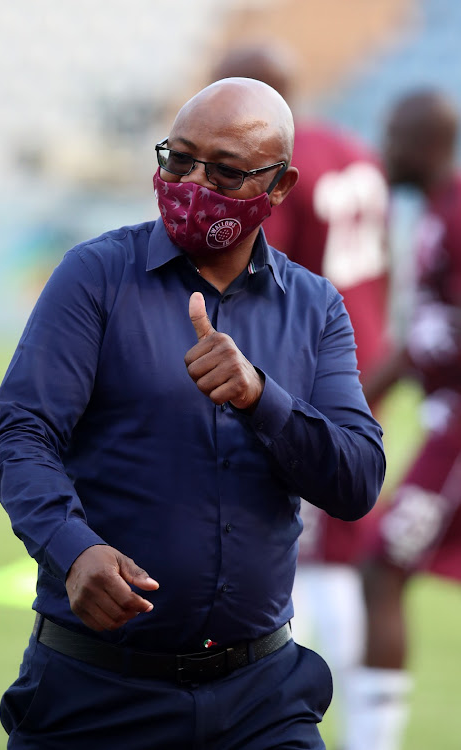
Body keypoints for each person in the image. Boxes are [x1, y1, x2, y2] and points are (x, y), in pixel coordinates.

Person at [0, 77, 385, 750]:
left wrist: (263, 397)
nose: (193, 182)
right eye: (180, 159)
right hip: (96, 691)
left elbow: (357, 481)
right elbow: (22, 436)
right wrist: (72, 551)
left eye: (226, 172)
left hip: (262, 700)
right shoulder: (95, 276)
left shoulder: (315, 308)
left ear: (279, 188)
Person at [210, 44, 391, 747]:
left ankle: (279, 714)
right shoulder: (354, 149)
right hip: (363, 354)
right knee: (339, 550)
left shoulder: (281, 164)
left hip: (302, 366)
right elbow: (388, 265)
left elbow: (255, 268)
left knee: (296, 549)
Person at [344, 89, 461, 750]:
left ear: (421, 141)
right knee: (380, 568)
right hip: (446, 426)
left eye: (391, 133)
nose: (383, 147)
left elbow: (438, 337)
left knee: (382, 566)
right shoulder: (438, 214)